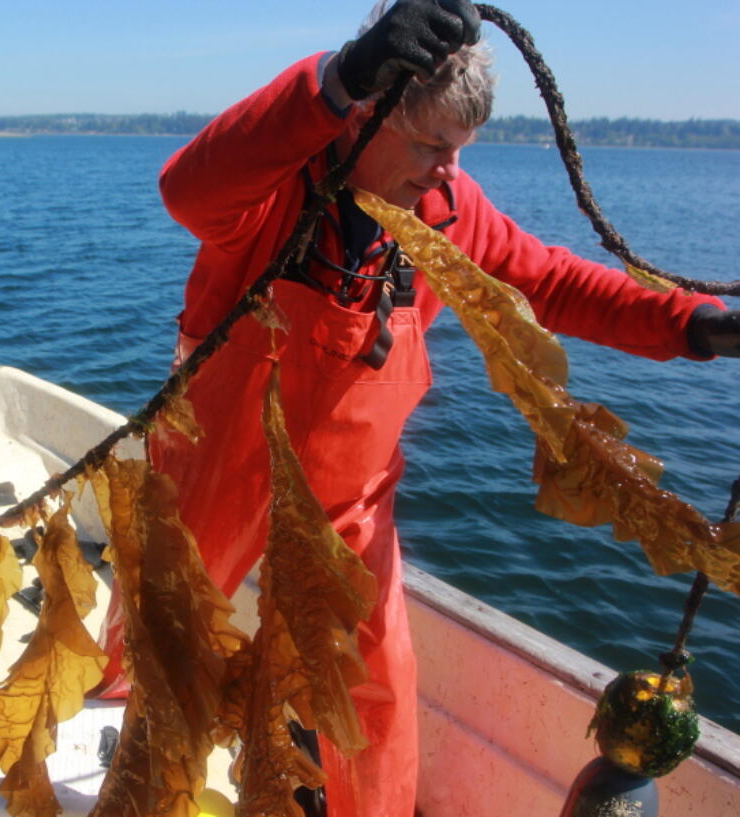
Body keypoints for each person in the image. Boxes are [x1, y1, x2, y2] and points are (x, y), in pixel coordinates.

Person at [94, 2, 740, 816]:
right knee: (161, 636)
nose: (447, 169)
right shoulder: (273, 188)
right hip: (217, 452)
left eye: (460, 150)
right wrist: (335, 78)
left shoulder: (448, 211)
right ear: (367, 116)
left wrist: (696, 324)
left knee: (379, 688)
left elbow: (553, 281)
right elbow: (188, 188)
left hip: (351, 494)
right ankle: (108, 713)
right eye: (432, 144)